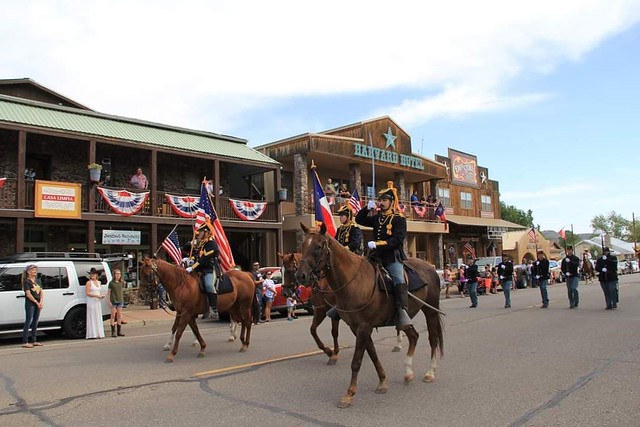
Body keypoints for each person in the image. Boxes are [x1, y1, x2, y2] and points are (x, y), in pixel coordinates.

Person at [355, 181, 412, 330]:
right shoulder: (377, 218)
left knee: (398, 278)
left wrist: (378, 244)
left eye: (384, 200)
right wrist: (366, 208)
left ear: (392, 202)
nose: (381, 203)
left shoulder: (399, 219)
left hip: (391, 256)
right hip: (375, 256)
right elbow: (359, 220)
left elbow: (397, 240)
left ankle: (402, 311)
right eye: (380, 200)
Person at [327, 205, 364, 320]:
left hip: (353, 258)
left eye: (342, 215)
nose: (340, 218)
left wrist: (343, 251)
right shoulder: (340, 229)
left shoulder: (355, 229)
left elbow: (355, 243)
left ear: (348, 216)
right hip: (341, 259)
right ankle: (339, 304)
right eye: (340, 216)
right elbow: (335, 242)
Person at [185, 223, 221, 319]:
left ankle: (214, 308)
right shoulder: (201, 244)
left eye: (200, 232)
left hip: (209, 269)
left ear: (206, 233)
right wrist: (189, 258)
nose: (198, 234)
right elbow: (196, 255)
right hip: (199, 269)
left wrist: (192, 267)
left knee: (209, 285)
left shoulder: (211, 244)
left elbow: (204, 259)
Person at [22, 264, 44, 348]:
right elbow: (28, 294)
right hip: (30, 303)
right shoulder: (27, 281)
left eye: (35, 270)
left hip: (38, 302)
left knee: (35, 321)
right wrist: (36, 302)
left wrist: (41, 301)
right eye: (32, 270)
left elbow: (41, 291)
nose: (34, 271)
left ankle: (34, 340)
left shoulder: (38, 280)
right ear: (28, 272)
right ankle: (25, 341)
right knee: (29, 320)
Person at [86, 267, 105, 339]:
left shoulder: (99, 282)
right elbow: (87, 293)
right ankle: (92, 333)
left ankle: (98, 333)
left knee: (97, 315)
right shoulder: (88, 283)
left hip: (97, 301)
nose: (92, 276)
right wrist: (97, 296)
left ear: (97, 275)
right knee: (92, 316)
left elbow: (99, 291)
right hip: (91, 301)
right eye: (91, 274)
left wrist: (100, 296)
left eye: (94, 274)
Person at [108, 268, 126, 337]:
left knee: (119, 316)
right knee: (112, 316)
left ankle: (119, 331)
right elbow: (109, 293)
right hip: (113, 300)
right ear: (114, 275)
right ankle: (113, 331)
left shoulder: (121, 282)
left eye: (119, 274)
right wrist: (109, 301)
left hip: (120, 300)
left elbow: (122, 288)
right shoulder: (111, 283)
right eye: (117, 274)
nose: (118, 275)